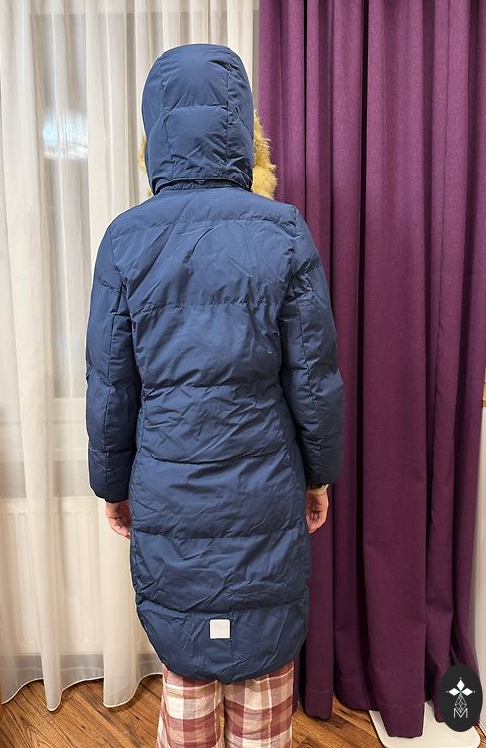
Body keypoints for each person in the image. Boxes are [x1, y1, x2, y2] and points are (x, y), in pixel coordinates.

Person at [85, 43, 344, 748]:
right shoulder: (282, 230)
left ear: (155, 132)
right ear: (242, 129)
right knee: (264, 664)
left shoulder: (125, 240)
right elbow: (314, 377)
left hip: (168, 488)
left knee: (188, 667)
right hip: (265, 484)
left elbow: (111, 386)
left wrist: (112, 484)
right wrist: (318, 475)